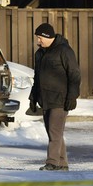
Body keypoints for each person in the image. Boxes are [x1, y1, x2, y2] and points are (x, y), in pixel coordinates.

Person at [29, 23, 81, 171]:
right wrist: (33, 97)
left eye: (40, 38)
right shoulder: (39, 53)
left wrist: (72, 96)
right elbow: (37, 76)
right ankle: (62, 163)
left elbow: (74, 74)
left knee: (54, 131)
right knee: (55, 132)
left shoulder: (64, 51)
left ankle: (52, 162)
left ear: (47, 36)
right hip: (45, 99)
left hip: (60, 98)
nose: (38, 41)